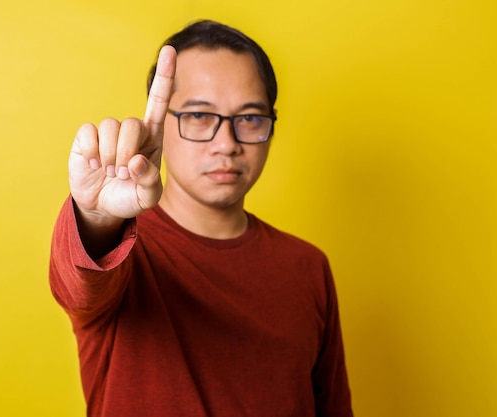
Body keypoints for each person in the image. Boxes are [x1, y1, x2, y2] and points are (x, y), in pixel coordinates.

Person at [50, 20, 353, 417]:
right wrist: (95, 215)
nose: (226, 144)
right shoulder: (124, 254)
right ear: (159, 125)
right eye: (198, 116)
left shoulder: (308, 266)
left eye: (249, 118)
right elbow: (79, 282)